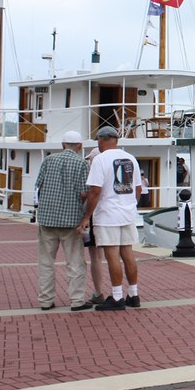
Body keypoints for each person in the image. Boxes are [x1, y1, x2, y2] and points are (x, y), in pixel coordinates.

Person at [78, 126, 143, 311]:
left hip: (108, 215)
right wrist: (131, 205)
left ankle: (116, 297)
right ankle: (134, 294)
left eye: (98, 139)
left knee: (112, 254)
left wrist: (86, 216)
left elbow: (95, 191)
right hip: (127, 213)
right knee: (128, 254)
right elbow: (138, 188)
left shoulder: (100, 160)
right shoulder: (131, 158)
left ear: (102, 139)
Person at [35, 130, 92, 311]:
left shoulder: (49, 160)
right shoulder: (82, 164)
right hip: (71, 220)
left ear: (62, 145)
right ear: (80, 146)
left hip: (47, 218)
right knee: (75, 262)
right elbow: (84, 192)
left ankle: (45, 300)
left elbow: (39, 185)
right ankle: (76, 301)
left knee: (46, 262)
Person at [83, 148, 106, 305]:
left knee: (95, 257)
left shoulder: (94, 175)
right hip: (112, 216)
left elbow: (94, 194)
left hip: (95, 217)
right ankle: (120, 291)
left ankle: (99, 292)